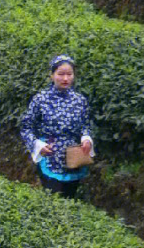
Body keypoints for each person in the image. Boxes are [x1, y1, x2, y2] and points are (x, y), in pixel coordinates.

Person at [19, 54, 95, 199]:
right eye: (61, 74)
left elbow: (86, 125)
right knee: (53, 199)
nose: (65, 79)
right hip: (50, 155)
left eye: (69, 74)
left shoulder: (80, 100)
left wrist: (86, 139)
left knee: (70, 198)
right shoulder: (41, 99)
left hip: (73, 157)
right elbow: (26, 127)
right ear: (52, 75)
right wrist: (37, 145)